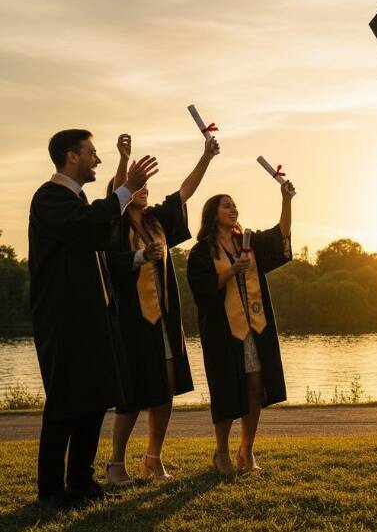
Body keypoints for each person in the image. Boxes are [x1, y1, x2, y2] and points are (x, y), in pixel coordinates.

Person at [29, 129, 157, 509]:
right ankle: (51, 490)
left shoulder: (79, 201)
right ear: (72, 156)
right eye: (92, 153)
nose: (97, 159)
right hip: (63, 318)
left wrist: (136, 257)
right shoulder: (49, 197)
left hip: (93, 317)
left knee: (94, 397)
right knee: (65, 400)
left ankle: (81, 481)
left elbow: (97, 247)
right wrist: (126, 188)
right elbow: (85, 228)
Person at [104, 133, 219, 486]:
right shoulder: (115, 223)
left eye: (144, 187)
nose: (142, 190)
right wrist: (124, 160)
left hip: (165, 319)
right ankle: (115, 463)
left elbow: (185, 191)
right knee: (135, 393)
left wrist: (206, 157)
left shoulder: (156, 221)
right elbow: (113, 199)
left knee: (165, 386)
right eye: (134, 186)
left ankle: (153, 458)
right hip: (132, 319)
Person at [186, 183, 294, 475]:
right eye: (226, 205)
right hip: (224, 331)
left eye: (234, 205)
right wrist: (232, 270)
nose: (233, 209)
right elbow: (202, 290)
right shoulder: (201, 251)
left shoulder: (248, 241)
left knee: (255, 386)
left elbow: (281, 234)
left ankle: (247, 450)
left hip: (255, 328)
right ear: (213, 214)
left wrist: (286, 200)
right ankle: (221, 453)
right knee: (226, 389)